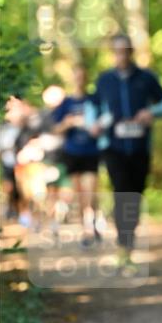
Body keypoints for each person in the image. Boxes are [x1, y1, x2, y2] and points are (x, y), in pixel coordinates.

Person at [93, 34, 162, 269]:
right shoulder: (104, 80)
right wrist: (96, 124)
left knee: (135, 195)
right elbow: (94, 109)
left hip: (140, 148)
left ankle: (128, 239)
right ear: (112, 53)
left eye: (125, 51)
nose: (122, 56)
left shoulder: (146, 78)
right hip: (114, 148)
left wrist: (152, 113)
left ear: (131, 52)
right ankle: (123, 245)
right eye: (117, 51)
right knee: (121, 192)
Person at [52, 64, 102, 246]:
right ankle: (87, 227)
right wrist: (69, 122)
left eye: (83, 76)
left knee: (90, 191)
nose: (80, 80)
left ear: (86, 78)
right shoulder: (66, 103)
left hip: (92, 152)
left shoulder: (94, 100)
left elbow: (104, 121)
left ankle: (91, 225)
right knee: (80, 194)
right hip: (72, 153)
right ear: (72, 78)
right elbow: (56, 128)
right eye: (77, 76)